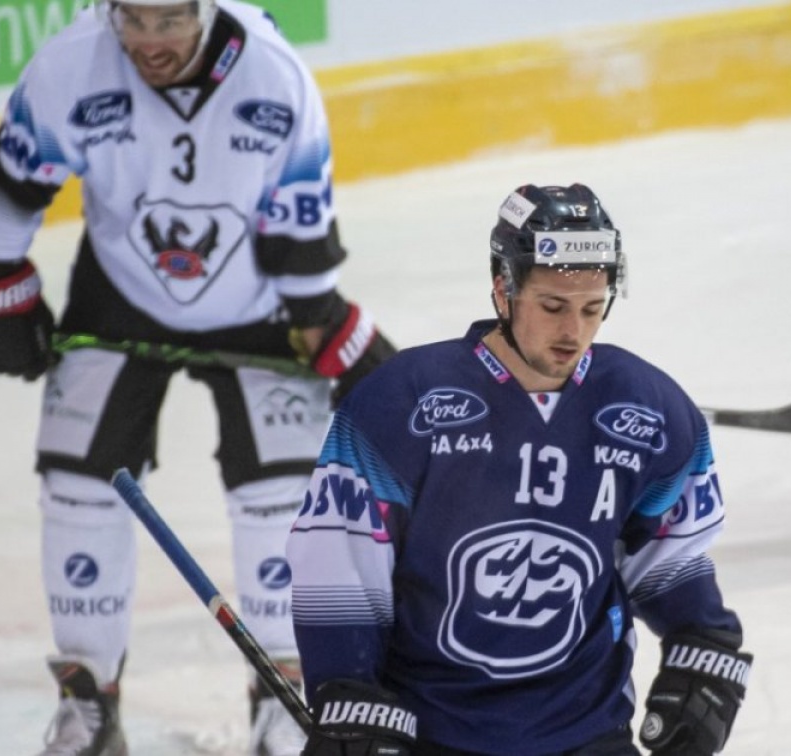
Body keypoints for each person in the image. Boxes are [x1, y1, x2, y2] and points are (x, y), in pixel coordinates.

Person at [0, 1, 395, 753]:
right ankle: (88, 698)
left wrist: (334, 335)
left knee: (280, 489)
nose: (150, 42)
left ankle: (283, 690)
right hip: (119, 296)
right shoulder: (71, 65)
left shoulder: (275, 77)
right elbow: (11, 183)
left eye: (171, 21)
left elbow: (301, 239)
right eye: (135, 19)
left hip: (258, 306)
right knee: (77, 479)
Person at [286, 184, 752, 755]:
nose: (573, 333)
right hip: (433, 732)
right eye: (553, 307)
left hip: (587, 730)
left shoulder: (648, 409)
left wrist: (704, 642)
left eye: (592, 308)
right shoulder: (400, 403)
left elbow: (671, 553)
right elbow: (340, 561)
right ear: (503, 288)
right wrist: (347, 689)